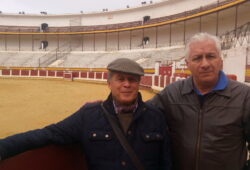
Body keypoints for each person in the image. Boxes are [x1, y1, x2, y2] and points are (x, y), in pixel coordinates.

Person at [0, 58, 172, 170]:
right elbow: (48, 134)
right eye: (120, 79)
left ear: (138, 84)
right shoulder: (88, 115)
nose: (126, 84)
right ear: (109, 83)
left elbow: (166, 164)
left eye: (132, 79)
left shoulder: (155, 117)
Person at [149, 32, 250, 170]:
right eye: (197, 58)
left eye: (211, 56)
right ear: (187, 64)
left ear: (220, 61)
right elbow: (142, 114)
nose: (205, 64)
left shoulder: (244, 96)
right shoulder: (171, 93)